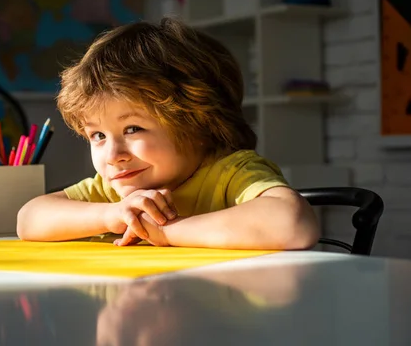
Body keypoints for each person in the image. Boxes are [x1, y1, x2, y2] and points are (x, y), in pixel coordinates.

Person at [16, 17, 319, 250]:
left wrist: (164, 232)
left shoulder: (230, 174)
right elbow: (29, 218)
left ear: (198, 123)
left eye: (132, 129)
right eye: (98, 136)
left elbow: (291, 223)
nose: (113, 156)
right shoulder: (120, 191)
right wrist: (113, 215)